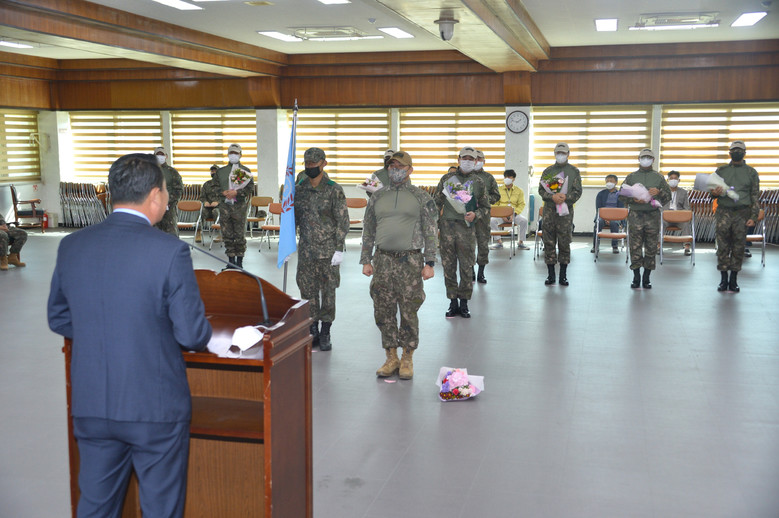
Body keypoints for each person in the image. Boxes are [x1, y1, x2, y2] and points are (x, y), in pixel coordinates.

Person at [47, 153, 212, 518]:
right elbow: (192, 334)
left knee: (95, 507)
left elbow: (58, 317)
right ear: (155, 195)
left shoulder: (72, 245)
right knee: (160, 508)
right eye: (166, 192)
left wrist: (105, 331)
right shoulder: (169, 250)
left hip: (92, 403)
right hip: (154, 408)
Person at [360, 151, 437, 379]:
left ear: (410, 169)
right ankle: (391, 357)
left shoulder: (421, 197)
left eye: (400, 166)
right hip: (382, 260)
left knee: (409, 310)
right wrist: (366, 259)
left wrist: (430, 262)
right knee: (383, 309)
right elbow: (368, 229)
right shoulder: (377, 196)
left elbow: (431, 232)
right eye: (392, 166)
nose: (395, 170)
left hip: (410, 261)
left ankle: (407, 358)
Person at [295, 147, 350, 351]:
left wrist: (339, 249)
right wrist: (286, 244)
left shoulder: (334, 189)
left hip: (328, 252)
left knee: (328, 293)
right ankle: (313, 329)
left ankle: (325, 331)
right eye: (307, 163)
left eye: (314, 163)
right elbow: (293, 218)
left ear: (324, 163)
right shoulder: (299, 189)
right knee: (307, 291)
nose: (310, 167)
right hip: (306, 251)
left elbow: (343, 221)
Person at [433, 146, 489, 318]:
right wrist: (433, 223)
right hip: (448, 228)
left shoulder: (479, 182)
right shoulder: (447, 179)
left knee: (466, 267)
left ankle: (464, 303)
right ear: (458, 160)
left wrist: (476, 214)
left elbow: (486, 207)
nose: (467, 161)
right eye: (464, 158)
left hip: (467, 229)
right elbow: (436, 203)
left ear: (476, 161)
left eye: (471, 159)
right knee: (448, 266)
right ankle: (452, 302)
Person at [711, 140, 760, 292]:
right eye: (734, 150)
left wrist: (754, 216)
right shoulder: (721, 170)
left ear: (744, 153)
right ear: (729, 153)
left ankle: (734, 279)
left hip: (742, 213)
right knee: (723, 247)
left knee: (738, 247)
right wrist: (714, 192)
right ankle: (723, 279)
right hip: (724, 211)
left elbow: (755, 196)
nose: (736, 153)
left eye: (739, 150)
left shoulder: (751, 172)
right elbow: (711, 192)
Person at [620, 148, 671, 289]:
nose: (646, 160)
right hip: (635, 215)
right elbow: (621, 195)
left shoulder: (659, 177)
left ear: (653, 160)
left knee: (651, 247)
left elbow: (668, 197)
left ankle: (647, 277)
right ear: (639, 159)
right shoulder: (631, 177)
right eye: (643, 157)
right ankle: (636, 277)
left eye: (649, 157)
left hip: (652, 216)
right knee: (635, 246)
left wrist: (659, 192)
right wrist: (633, 199)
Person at [538, 142, 582, 286]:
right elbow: (541, 190)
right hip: (550, 211)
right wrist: (552, 197)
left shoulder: (574, 171)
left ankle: (563, 275)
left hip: (565, 211)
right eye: (558, 153)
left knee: (564, 242)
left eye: (563, 153)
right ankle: (550, 275)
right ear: (554, 154)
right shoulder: (548, 171)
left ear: (568, 154)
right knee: (549, 242)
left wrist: (565, 197)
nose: (560, 155)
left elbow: (578, 192)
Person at [214, 144, 254, 268]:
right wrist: (222, 192)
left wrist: (237, 192)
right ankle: (231, 261)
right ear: (228, 154)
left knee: (239, 234)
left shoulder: (245, 171)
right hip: (225, 207)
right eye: (231, 153)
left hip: (239, 207)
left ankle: (240, 262)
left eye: (236, 153)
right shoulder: (221, 172)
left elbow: (249, 188)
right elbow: (214, 186)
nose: (233, 155)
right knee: (227, 234)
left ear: (240, 155)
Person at [473, 149, 500, 283]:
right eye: (475, 158)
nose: (477, 161)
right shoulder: (464, 177)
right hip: (466, 216)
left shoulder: (489, 178)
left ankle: (481, 273)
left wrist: (485, 200)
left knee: (483, 245)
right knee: (467, 245)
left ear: (484, 161)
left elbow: (496, 196)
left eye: (480, 159)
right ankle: (470, 272)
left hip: (483, 217)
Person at [489, 169, 529, 251]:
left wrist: (514, 214)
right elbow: (495, 204)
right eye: (505, 177)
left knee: (524, 221)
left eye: (509, 177)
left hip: (514, 214)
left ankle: (521, 242)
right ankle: (499, 242)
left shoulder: (519, 191)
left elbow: (521, 204)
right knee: (492, 221)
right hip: (501, 215)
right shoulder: (498, 190)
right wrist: (502, 214)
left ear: (513, 179)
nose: (507, 178)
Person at [152, 146, 184, 236]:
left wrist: (168, 201)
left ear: (166, 156)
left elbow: (179, 190)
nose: (160, 157)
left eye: (162, 155)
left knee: (171, 234)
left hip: (169, 209)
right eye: (157, 155)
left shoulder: (172, 172)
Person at [591, 174, 625, 254]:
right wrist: (605, 217)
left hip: (616, 217)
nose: (609, 182)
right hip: (603, 216)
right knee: (598, 223)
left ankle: (615, 246)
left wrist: (612, 218)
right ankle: (595, 246)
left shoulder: (620, 195)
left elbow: (621, 209)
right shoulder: (601, 194)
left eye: (611, 181)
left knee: (614, 223)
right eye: (607, 181)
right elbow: (598, 209)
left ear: (616, 182)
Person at [661, 170, 692, 256]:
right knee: (660, 223)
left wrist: (683, 215)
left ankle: (687, 247)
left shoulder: (683, 192)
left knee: (686, 223)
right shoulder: (662, 192)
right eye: (671, 178)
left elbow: (686, 207)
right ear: (668, 180)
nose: (673, 180)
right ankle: (659, 246)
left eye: (675, 178)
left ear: (679, 180)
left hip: (679, 218)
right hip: (666, 217)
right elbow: (659, 206)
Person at [198, 164, 221, 243]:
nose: (213, 172)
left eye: (215, 171)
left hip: (219, 208)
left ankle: (220, 234)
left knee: (216, 211)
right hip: (208, 208)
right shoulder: (206, 184)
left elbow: (226, 198)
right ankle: (199, 232)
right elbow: (202, 197)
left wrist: (218, 202)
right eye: (212, 171)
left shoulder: (223, 185)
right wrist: (205, 202)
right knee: (202, 211)